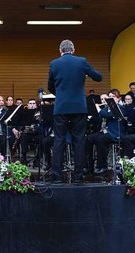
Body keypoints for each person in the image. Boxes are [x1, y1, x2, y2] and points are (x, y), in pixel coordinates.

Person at [47, 39, 103, 184]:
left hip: (60, 107)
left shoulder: (54, 63)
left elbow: (50, 87)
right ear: (73, 49)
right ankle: (79, 177)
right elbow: (99, 77)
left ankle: (57, 177)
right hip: (79, 107)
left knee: (58, 140)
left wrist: (59, 93)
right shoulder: (81, 61)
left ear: (60, 50)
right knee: (79, 140)